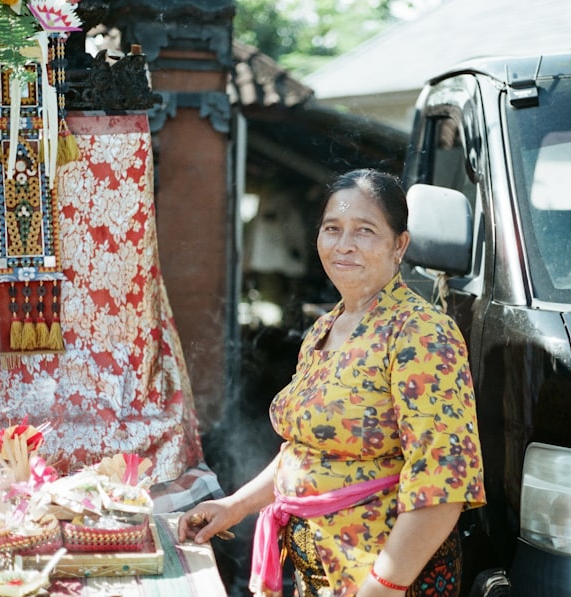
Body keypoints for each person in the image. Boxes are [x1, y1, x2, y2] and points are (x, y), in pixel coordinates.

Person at [179, 169, 485, 597]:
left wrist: (382, 586)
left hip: (384, 579)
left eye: (364, 231)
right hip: (321, 571)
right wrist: (234, 507)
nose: (344, 245)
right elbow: (305, 452)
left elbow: (443, 484)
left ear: (400, 245)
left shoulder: (421, 333)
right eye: (332, 229)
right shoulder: (324, 328)